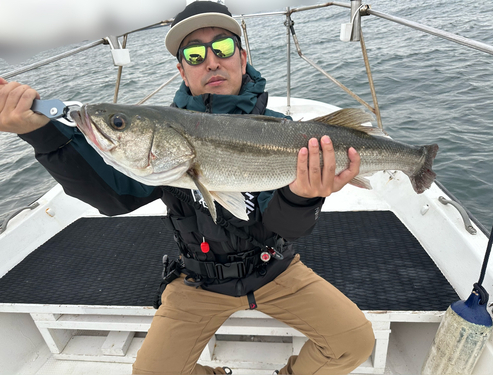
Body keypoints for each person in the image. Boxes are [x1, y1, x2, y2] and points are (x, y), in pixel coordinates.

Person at [0, 2, 375, 374]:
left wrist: (302, 196)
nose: (211, 61)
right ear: (182, 71)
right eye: (194, 54)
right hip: (199, 280)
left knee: (355, 342)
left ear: (243, 58)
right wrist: (42, 132)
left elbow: (283, 229)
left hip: (275, 270)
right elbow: (114, 197)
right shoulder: (162, 136)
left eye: (223, 48)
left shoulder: (282, 130)